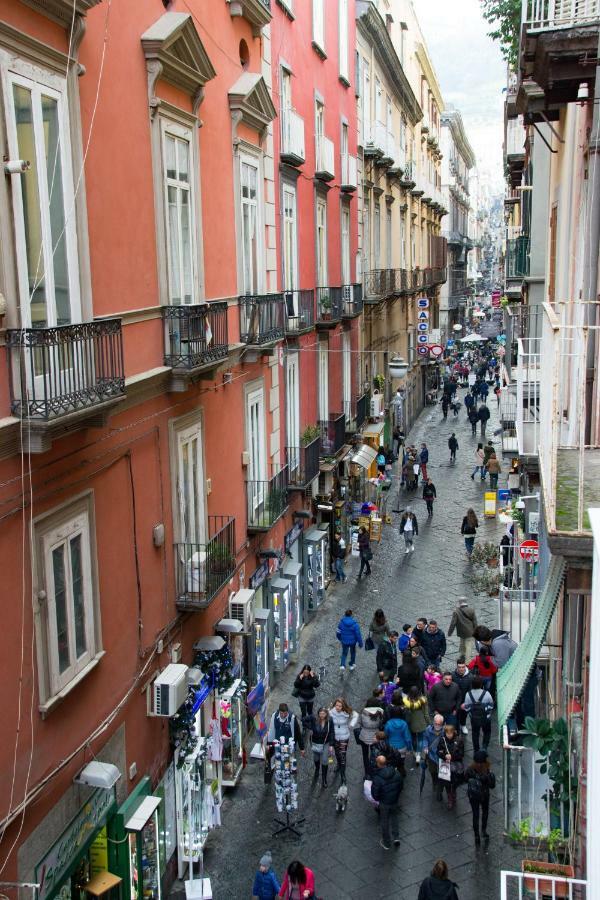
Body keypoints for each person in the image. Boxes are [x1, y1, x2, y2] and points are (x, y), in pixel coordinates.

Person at [371, 755, 403, 850]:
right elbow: (401, 786)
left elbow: (374, 794)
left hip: (384, 802)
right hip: (394, 800)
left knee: (384, 822)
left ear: (378, 764)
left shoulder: (377, 778)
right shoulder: (396, 773)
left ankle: (387, 842)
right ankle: (396, 837)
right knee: (394, 818)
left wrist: (379, 799)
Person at [466, 750, 496, 847]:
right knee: (485, 812)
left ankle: (476, 836)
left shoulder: (470, 769)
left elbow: (465, 777)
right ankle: (483, 830)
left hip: (473, 796)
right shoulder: (486, 769)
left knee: (475, 815)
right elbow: (492, 785)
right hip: (484, 795)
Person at [329, 697, 358, 784]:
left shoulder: (347, 712)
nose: (338, 707)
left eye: (340, 706)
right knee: (337, 753)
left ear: (343, 707)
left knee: (343, 755)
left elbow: (356, 715)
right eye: (337, 705)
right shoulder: (331, 712)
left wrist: (351, 724)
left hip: (344, 736)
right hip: (334, 736)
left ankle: (343, 775)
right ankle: (339, 765)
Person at [437, 723, 464, 809]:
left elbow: (461, 754)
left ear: (453, 732)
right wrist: (444, 756)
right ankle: (450, 797)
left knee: (455, 781)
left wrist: (452, 756)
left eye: (450, 733)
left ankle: (453, 792)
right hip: (445, 764)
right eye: (447, 733)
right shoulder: (442, 740)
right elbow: (438, 751)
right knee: (446, 782)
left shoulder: (459, 740)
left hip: (456, 764)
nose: (449, 735)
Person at [463, 676, 494, 752]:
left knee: (475, 733)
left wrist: (471, 712)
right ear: (481, 684)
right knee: (487, 732)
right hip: (486, 718)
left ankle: (476, 749)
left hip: (474, 718)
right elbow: (491, 706)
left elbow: (466, 708)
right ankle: (484, 747)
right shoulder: (486, 694)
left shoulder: (468, 694)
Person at [403, 685, 430, 762]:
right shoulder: (423, 700)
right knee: (421, 738)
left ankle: (414, 752)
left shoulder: (407, 701)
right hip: (421, 722)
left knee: (414, 738)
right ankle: (418, 754)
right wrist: (429, 723)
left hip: (411, 722)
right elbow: (426, 713)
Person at [310, 707, 335, 787]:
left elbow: (332, 732)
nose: (322, 715)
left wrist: (331, 744)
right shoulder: (314, 720)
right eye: (320, 713)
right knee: (316, 758)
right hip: (316, 743)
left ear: (326, 714)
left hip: (325, 743)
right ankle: (317, 769)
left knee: (324, 760)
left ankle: (324, 779)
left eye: (323, 714)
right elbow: (304, 720)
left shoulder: (330, 720)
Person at [358, 703, 384, 777]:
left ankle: (367, 772)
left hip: (364, 736)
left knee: (365, 755)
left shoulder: (363, 713)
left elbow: (360, 723)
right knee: (374, 754)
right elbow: (381, 724)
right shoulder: (380, 714)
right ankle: (373, 770)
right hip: (375, 737)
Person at [422, 714, 445, 799]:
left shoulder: (445, 731)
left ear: (442, 723)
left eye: (439, 724)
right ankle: (435, 782)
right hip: (431, 755)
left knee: (443, 773)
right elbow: (424, 739)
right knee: (433, 770)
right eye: (436, 723)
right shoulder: (428, 730)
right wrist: (425, 747)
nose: (437, 725)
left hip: (442, 755)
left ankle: (440, 790)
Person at [452, 657, 474, 736]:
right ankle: (456, 728)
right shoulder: (453, 675)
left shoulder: (470, 677)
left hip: (465, 701)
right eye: (459, 667)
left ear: (465, 666)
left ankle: (463, 725)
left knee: (464, 714)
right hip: (455, 700)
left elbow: (471, 691)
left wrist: (466, 702)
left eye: (463, 667)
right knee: (455, 715)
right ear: (457, 667)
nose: (461, 669)